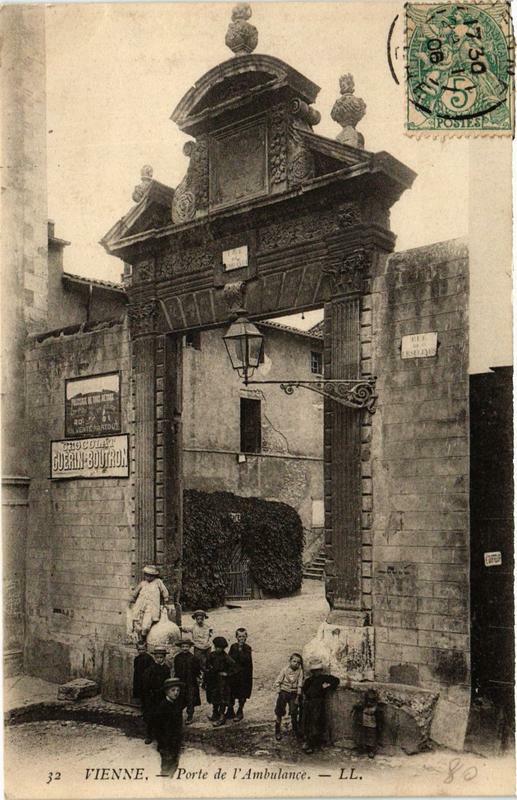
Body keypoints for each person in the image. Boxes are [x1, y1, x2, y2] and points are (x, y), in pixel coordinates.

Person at [301, 658, 340, 753]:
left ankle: (314, 743)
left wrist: (327, 686)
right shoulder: (309, 680)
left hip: (318, 704)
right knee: (307, 722)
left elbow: (336, 681)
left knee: (316, 722)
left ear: (321, 670)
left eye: (318, 670)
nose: (316, 672)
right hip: (309, 704)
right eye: (314, 671)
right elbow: (305, 690)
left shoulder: (324, 678)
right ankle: (307, 741)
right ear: (312, 672)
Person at [152, 677, 184, 777]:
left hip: (175, 742)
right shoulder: (162, 707)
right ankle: (165, 785)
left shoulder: (177, 704)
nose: (176, 693)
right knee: (166, 765)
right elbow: (158, 728)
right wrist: (163, 743)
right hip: (166, 743)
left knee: (175, 763)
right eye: (173, 690)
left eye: (178, 690)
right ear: (166, 692)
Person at [129, 565, 169, 644]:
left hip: (151, 608)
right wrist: (131, 601)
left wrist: (166, 601)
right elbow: (135, 593)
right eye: (147, 575)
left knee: (146, 626)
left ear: (154, 576)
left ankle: (143, 638)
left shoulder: (158, 582)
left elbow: (164, 592)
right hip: (140, 606)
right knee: (137, 623)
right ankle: (139, 640)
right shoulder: (143, 583)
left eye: (151, 576)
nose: (149, 577)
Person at [205, 636, 237, 727]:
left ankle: (222, 717)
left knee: (222, 698)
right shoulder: (211, 655)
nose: (218, 649)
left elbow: (235, 668)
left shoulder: (226, 657)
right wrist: (208, 669)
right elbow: (207, 664)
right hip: (213, 680)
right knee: (213, 696)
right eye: (217, 647)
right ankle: (215, 714)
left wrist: (227, 673)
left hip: (222, 682)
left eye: (221, 648)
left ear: (223, 648)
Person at [141, 646, 171, 743]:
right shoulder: (150, 669)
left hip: (162, 695)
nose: (159, 659)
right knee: (151, 716)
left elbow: (168, 682)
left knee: (162, 715)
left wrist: (167, 693)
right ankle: (149, 735)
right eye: (157, 657)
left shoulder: (166, 669)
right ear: (155, 658)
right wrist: (148, 694)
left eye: (161, 657)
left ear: (164, 658)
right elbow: (145, 684)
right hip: (152, 696)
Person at [273, 652, 304, 741]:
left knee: (294, 711)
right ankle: (277, 730)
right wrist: (279, 690)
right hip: (284, 692)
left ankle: (295, 729)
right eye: (294, 661)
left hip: (294, 693)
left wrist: (298, 695)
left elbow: (300, 684)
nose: (296, 664)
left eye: (298, 663)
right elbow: (278, 681)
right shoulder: (284, 670)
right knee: (279, 711)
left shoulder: (300, 671)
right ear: (290, 661)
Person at [173, 639, 201, 725]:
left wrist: (198, 678)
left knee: (190, 698)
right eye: (183, 647)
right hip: (180, 681)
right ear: (180, 647)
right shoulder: (177, 657)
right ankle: (178, 716)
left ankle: (190, 715)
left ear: (190, 647)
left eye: (187, 646)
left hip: (190, 681)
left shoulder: (193, 658)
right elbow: (176, 670)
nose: (185, 648)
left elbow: (197, 670)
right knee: (179, 698)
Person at [228, 628, 253, 721]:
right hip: (234, 674)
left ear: (246, 637)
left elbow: (245, 660)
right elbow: (230, 658)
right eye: (239, 636)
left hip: (244, 675)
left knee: (242, 693)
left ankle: (240, 710)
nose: (241, 638)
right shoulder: (233, 646)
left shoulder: (247, 648)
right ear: (236, 637)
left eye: (243, 636)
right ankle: (230, 710)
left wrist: (241, 649)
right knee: (231, 692)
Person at [182, 610, 213, 674]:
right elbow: (184, 628)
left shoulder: (208, 627)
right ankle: (199, 674)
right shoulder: (193, 627)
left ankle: (208, 674)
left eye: (201, 619)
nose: (199, 620)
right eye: (198, 619)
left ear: (204, 618)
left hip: (207, 647)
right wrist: (178, 627)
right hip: (198, 647)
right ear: (195, 619)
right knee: (198, 662)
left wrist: (208, 638)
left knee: (208, 662)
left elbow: (209, 635)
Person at [352, 687, 380, 758]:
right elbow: (356, 707)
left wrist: (379, 725)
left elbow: (379, 718)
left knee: (371, 736)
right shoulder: (363, 705)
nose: (369, 702)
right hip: (363, 722)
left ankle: (371, 750)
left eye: (371, 700)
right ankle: (361, 748)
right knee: (362, 735)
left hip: (372, 723)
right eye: (368, 700)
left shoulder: (376, 708)